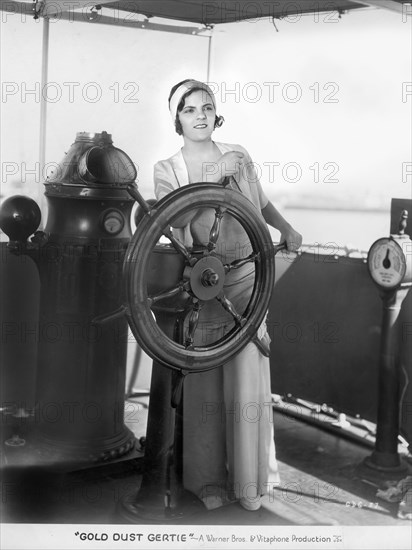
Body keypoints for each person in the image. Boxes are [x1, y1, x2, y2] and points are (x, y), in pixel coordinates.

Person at [153, 79, 302, 511]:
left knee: (248, 381)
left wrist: (285, 228)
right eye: (188, 109)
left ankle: (249, 484)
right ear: (176, 119)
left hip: (250, 277)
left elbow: (260, 202)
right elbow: (176, 221)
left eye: (207, 106)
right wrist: (214, 177)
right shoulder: (168, 169)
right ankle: (207, 483)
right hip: (204, 286)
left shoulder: (239, 154)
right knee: (204, 383)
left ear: (216, 113)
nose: (199, 114)